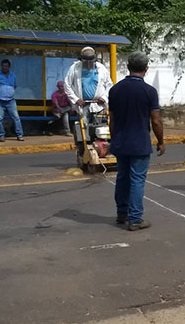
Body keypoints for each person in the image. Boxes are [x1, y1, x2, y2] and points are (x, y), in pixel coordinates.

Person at [109, 51, 165, 231]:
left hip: (120, 141)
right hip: (139, 141)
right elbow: (155, 120)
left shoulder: (115, 90)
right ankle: (135, 218)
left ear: (128, 67)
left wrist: (113, 139)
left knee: (122, 177)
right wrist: (161, 140)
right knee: (137, 180)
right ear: (146, 69)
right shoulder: (149, 91)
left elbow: (112, 120)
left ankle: (122, 212)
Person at [64, 46, 113, 125]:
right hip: (83, 105)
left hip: (98, 105)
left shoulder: (102, 68)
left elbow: (109, 85)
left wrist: (104, 98)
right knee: (84, 128)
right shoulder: (74, 68)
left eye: (91, 62)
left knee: (97, 129)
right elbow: (67, 85)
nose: (88, 64)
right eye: (86, 62)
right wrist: (76, 99)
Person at [0, 59, 23, 142]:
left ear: (9, 67)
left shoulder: (13, 75)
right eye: (3, 66)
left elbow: (14, 86)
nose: (4, 68)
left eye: (6, 66)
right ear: (1, 66)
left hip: (11, 101)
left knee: (16, 118)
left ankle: (20, 135)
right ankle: (1, 136)